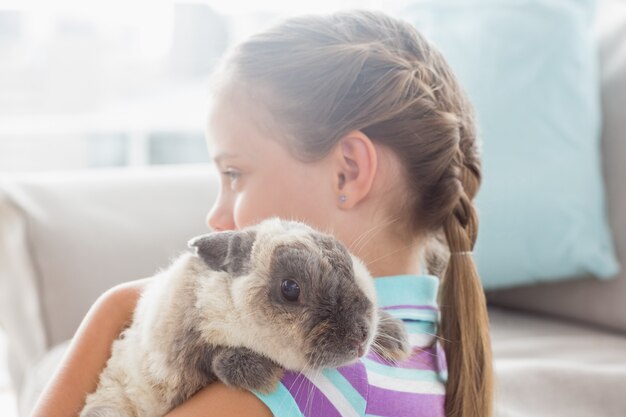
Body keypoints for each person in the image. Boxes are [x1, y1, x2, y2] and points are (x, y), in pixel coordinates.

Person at [29, 8, 493, 417]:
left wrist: (112, 309)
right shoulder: (430, 348)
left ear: (347, 172)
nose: (217, 215)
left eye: (235, 173)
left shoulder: (305, 384)